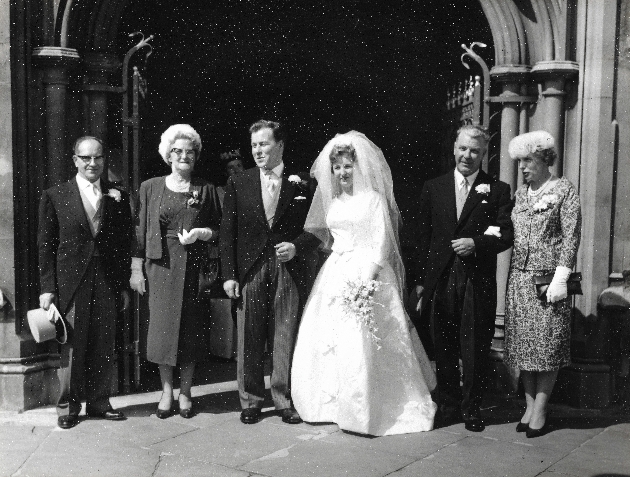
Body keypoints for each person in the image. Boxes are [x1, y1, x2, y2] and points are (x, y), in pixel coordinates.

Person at [290, 131, 437, 436]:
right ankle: (331, 406)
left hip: (367, 272)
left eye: (347, 166)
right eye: (337, 168)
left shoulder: (373, 200)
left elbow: (382, 243)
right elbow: (328, 240)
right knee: (330, 337)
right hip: (335, 273)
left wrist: (366, 282)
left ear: (359, 167)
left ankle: (366, 408)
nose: (342, 173)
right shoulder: (333, 202)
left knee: (364, 338)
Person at [413, 124, 514, 432]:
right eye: (463, 148)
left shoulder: (496, 190)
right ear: (453, 149)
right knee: (442, 343)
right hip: (441, 277)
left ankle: (472, 408)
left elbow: (504, 232)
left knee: (474, 344)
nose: (467, 156)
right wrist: (419, 283)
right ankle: (448, 405)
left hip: (475, 278)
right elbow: (422, 237)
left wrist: (477, 243)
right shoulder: (434, 187)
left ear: (484, 154)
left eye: (475, 150)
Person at [219, 119, 319, 425]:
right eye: (254, 146)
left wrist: (297, 246)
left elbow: (317, 228)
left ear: (280, 145)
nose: (258, 151)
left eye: (264, 144)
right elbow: (227, 232)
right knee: (248, 334)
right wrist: (229, 274)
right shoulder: (240, 181)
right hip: (250, 268)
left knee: (284, 332)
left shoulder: (303, 182)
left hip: (287, 266)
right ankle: (250, 400)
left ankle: (282, 398)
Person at [38, 136, 132, 429]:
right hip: (71, 282)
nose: (93, 163)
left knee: (104, 341)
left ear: (104, 160)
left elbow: (123, 242)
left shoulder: (118, 195)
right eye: (86, 158)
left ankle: (99, 401)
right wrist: (47, 287)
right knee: (72, 343)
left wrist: (124, 283)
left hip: (106, 279)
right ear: (75, 160)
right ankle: (67, 406)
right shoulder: (56, 195)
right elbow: (46, 245)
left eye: (98, 158)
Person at [130, 124, 221, 419]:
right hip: (159, 267)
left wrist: (203, 233)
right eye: (177, 151)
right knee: (161, 332)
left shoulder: (205, 189)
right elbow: (139, 232)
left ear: (196, 156)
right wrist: (136, 269)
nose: (184, 156)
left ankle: (186, 392)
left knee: (191, 331)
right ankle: (166, 391)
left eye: (190, 152)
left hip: (194, 267)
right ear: (168, 155)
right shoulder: (150, 187)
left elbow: (221, 230)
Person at [504, 131, 581, 438]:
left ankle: (542, 408)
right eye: (520, 161)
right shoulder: (521, 194)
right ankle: (528, 405)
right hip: (520, 282)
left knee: (547, 347)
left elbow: (571, 236)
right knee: (525, 347)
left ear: (545, 160)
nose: (523, 167)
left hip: (549, 282)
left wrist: (562, 277)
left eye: (529, 160)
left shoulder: (564, 189)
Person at [208, 149, 244, 359]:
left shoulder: (251, 186)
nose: (235, 171)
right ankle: (227, 348)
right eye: (231, 168)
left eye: (238, 166)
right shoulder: (221, 192)